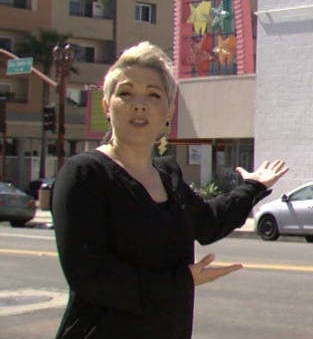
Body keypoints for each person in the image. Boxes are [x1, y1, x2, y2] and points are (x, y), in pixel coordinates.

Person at [51, 42, 288, 339]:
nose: (139, 104)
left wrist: (253, 186)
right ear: (106, 105)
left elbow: (207, 222)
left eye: (153, 94)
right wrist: (181, 281)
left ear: (168, 111)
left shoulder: (167, 174)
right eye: (125, 93)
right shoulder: (85, 173)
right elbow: (91, 276)